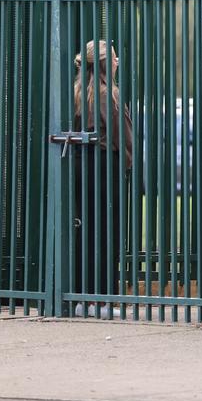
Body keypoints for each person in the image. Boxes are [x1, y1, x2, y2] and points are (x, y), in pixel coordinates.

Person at [72, 41, 134, 319]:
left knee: (85, 230)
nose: (118, 60)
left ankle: (81, 297)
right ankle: (105, 299)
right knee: (109, 233)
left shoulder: (77, 92)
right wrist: (129, 163)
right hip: (106, 165)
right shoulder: (109, 94)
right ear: (106, 64)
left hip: (82, 165)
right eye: (115, 57)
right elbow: (124, 136)